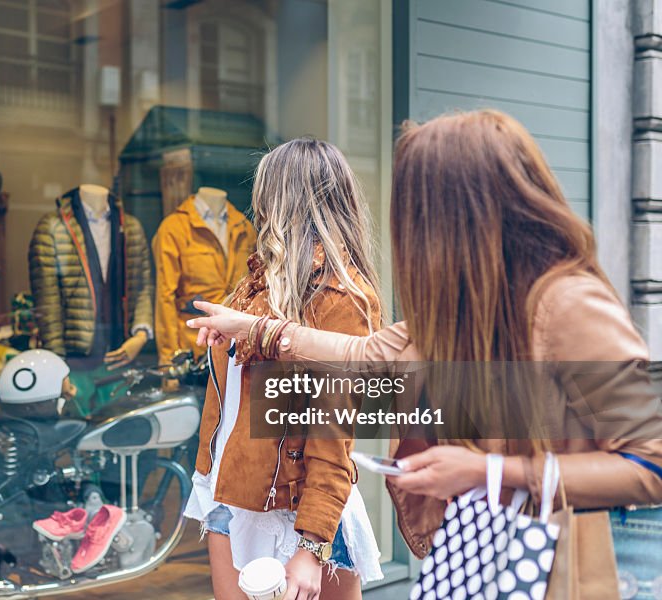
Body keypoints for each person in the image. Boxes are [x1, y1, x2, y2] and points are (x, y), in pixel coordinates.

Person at [186, 110, 662, 561]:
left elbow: (652, 464)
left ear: (467, 213)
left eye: (419, 210)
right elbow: (362, 355)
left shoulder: (568, 303)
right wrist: (252, 328)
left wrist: (490, 472)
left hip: (566, 563)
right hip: (488, 553)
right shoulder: (474, 303)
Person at [183, 138, 384, 600]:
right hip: (226, 495)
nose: (258, 211)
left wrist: (312, 545)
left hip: (299, 513)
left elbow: (335, 439)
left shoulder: (341, 300)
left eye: (264, 197)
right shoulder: (251, 288)